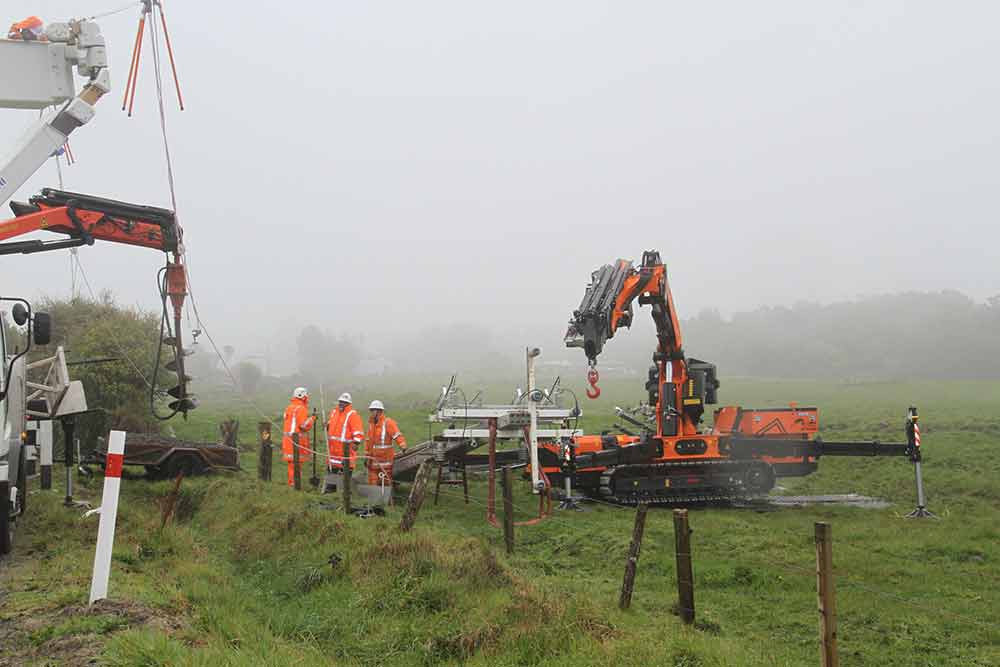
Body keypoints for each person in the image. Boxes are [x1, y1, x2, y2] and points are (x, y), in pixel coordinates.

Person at [365, 400, 406, 487]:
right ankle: (374, 498)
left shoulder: (388, 422)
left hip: (385, 460)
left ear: (379, 411)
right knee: (373, 482)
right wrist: (367, 456)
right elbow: (368, 442)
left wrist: (402, 445)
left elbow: (397, 434)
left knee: (386, 481)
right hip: (374, 460)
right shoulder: (371, 425)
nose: (371, 412)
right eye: (371, 410)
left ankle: (387, 498)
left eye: (373, 410)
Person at [281, 387, 315, 487]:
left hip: (287, 441)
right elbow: (303, 426)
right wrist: (312, 418)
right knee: (296, 464)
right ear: (303, 397)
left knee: (291, 464)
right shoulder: (301, 409)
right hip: (297, 441)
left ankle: (292, 483)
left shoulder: (289, 407)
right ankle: (295, 484)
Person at [326, 392, 363, 472]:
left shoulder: (352, 415)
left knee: (344, 481)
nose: (341, 403)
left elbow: (358, 432)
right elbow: (330, 425)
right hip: (332, 454)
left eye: (344, 402)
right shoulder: (334, 413)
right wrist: (327, 426)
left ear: (348, 404)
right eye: (341, 401)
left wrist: (356, 443)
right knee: (331, 479)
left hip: (345, 454)